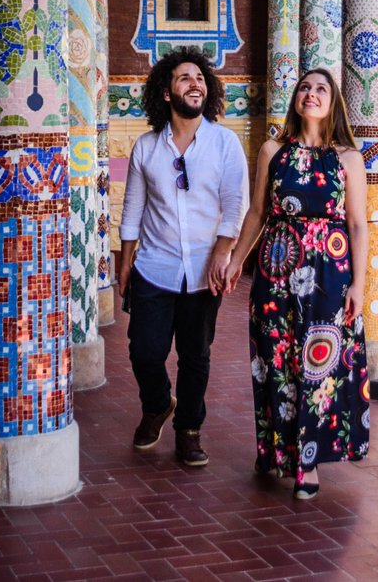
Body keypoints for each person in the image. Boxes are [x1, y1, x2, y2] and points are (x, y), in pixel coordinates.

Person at [224, 67, 369, 499]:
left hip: (330, 274)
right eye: (305, 87)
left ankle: (308, 460)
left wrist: (360, 285)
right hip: (276, 270)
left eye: (321, 89)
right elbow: (256, 213)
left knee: (318, 365)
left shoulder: (348, 158)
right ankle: (274, 449)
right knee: (274, 361)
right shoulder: (273, 150)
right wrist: (236, 261)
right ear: (296, 98)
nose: (311, 93)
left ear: (333, 103)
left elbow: (359, 225)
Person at [118, 46, 249, 467]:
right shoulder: (146, 149)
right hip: (153, 267)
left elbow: (236, 204)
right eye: (184, 78)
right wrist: (124, 265)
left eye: (199, 78)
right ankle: (157, 404)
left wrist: (223, 253)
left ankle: (189, 430)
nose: (195, 83)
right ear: (168, 93)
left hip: (204, 269)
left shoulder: (224, 143)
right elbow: (132, 210)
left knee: (196, 355)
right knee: (144, 352)